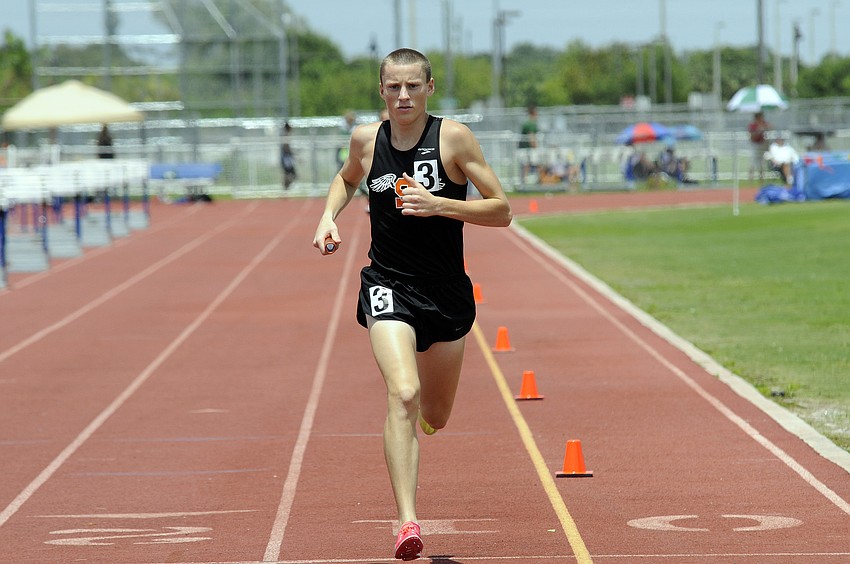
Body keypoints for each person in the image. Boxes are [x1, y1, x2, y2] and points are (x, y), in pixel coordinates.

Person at [312, 48, 511, 561]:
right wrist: (328, 216)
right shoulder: (366, 139)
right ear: (380, 90)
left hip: (444, 292)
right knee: (403, 392)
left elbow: (502, 210)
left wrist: (440, 204)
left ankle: (427, 420)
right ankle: (407, 521)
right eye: (393, 87)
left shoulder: (454, 138)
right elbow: (347, 178)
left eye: (412, 87)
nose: (403, 96)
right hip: (387, 284)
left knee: (436, 414)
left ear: (429, 87)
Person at [518, 105, 539, 182]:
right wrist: (535, 146)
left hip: (525, 148)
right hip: (527, 149)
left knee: (526, 165)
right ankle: (526, 182)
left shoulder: (527, 123)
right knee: (528, 164)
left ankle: (525, 181)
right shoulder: (531, 123)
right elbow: (531, 136)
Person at [747, 112, 770, 179]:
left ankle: (761, 177)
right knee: (753, 161)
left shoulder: (764, 124)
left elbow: (770, 127)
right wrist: (758, 130)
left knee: (761, 162)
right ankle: (750, 177)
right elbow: (752, 136)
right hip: (755, 144)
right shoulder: (752, 125)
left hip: (762, 144)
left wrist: (764, 127)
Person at [280, 121, 297, 189]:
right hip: (287, 158)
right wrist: (292, 153)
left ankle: (286, 187)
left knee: (289, 174)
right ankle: (285, 187)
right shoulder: (285, 135)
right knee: (290, 174)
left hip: (287, 158)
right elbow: (286, 147)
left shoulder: (286, 135)